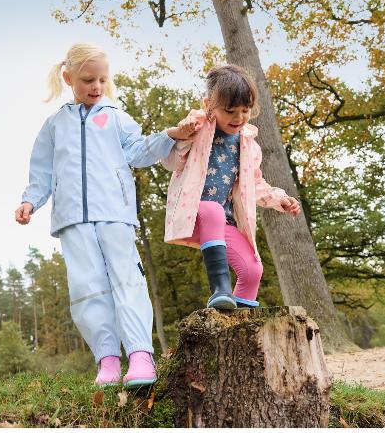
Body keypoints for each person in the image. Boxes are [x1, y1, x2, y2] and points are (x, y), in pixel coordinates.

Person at [15, 43, 198, 387]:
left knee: (126, 279)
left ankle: (141, 355)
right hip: (72, 219)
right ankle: (108, 360)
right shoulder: (54, 125)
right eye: (87, 80)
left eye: (102, 79)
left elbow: (139, 151)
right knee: (88, 289)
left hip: (115, 212)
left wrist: (170, 135)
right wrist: (30, 201)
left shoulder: (115, 116)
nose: (96, 86)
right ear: (68, 78)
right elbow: (41, 173)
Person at [161, 64, 301, 309]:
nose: (238, 118)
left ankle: (239, 326)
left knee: (253, 269)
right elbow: (170, 162)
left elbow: (254, 184)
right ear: (209, 106)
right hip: (192, 214)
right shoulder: (198, 128)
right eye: (230, 111)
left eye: (245, 110)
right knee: (212, 210)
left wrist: (280, 199)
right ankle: (220, 289)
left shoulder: (249, 146)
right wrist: (182, 137)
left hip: (222, 221)